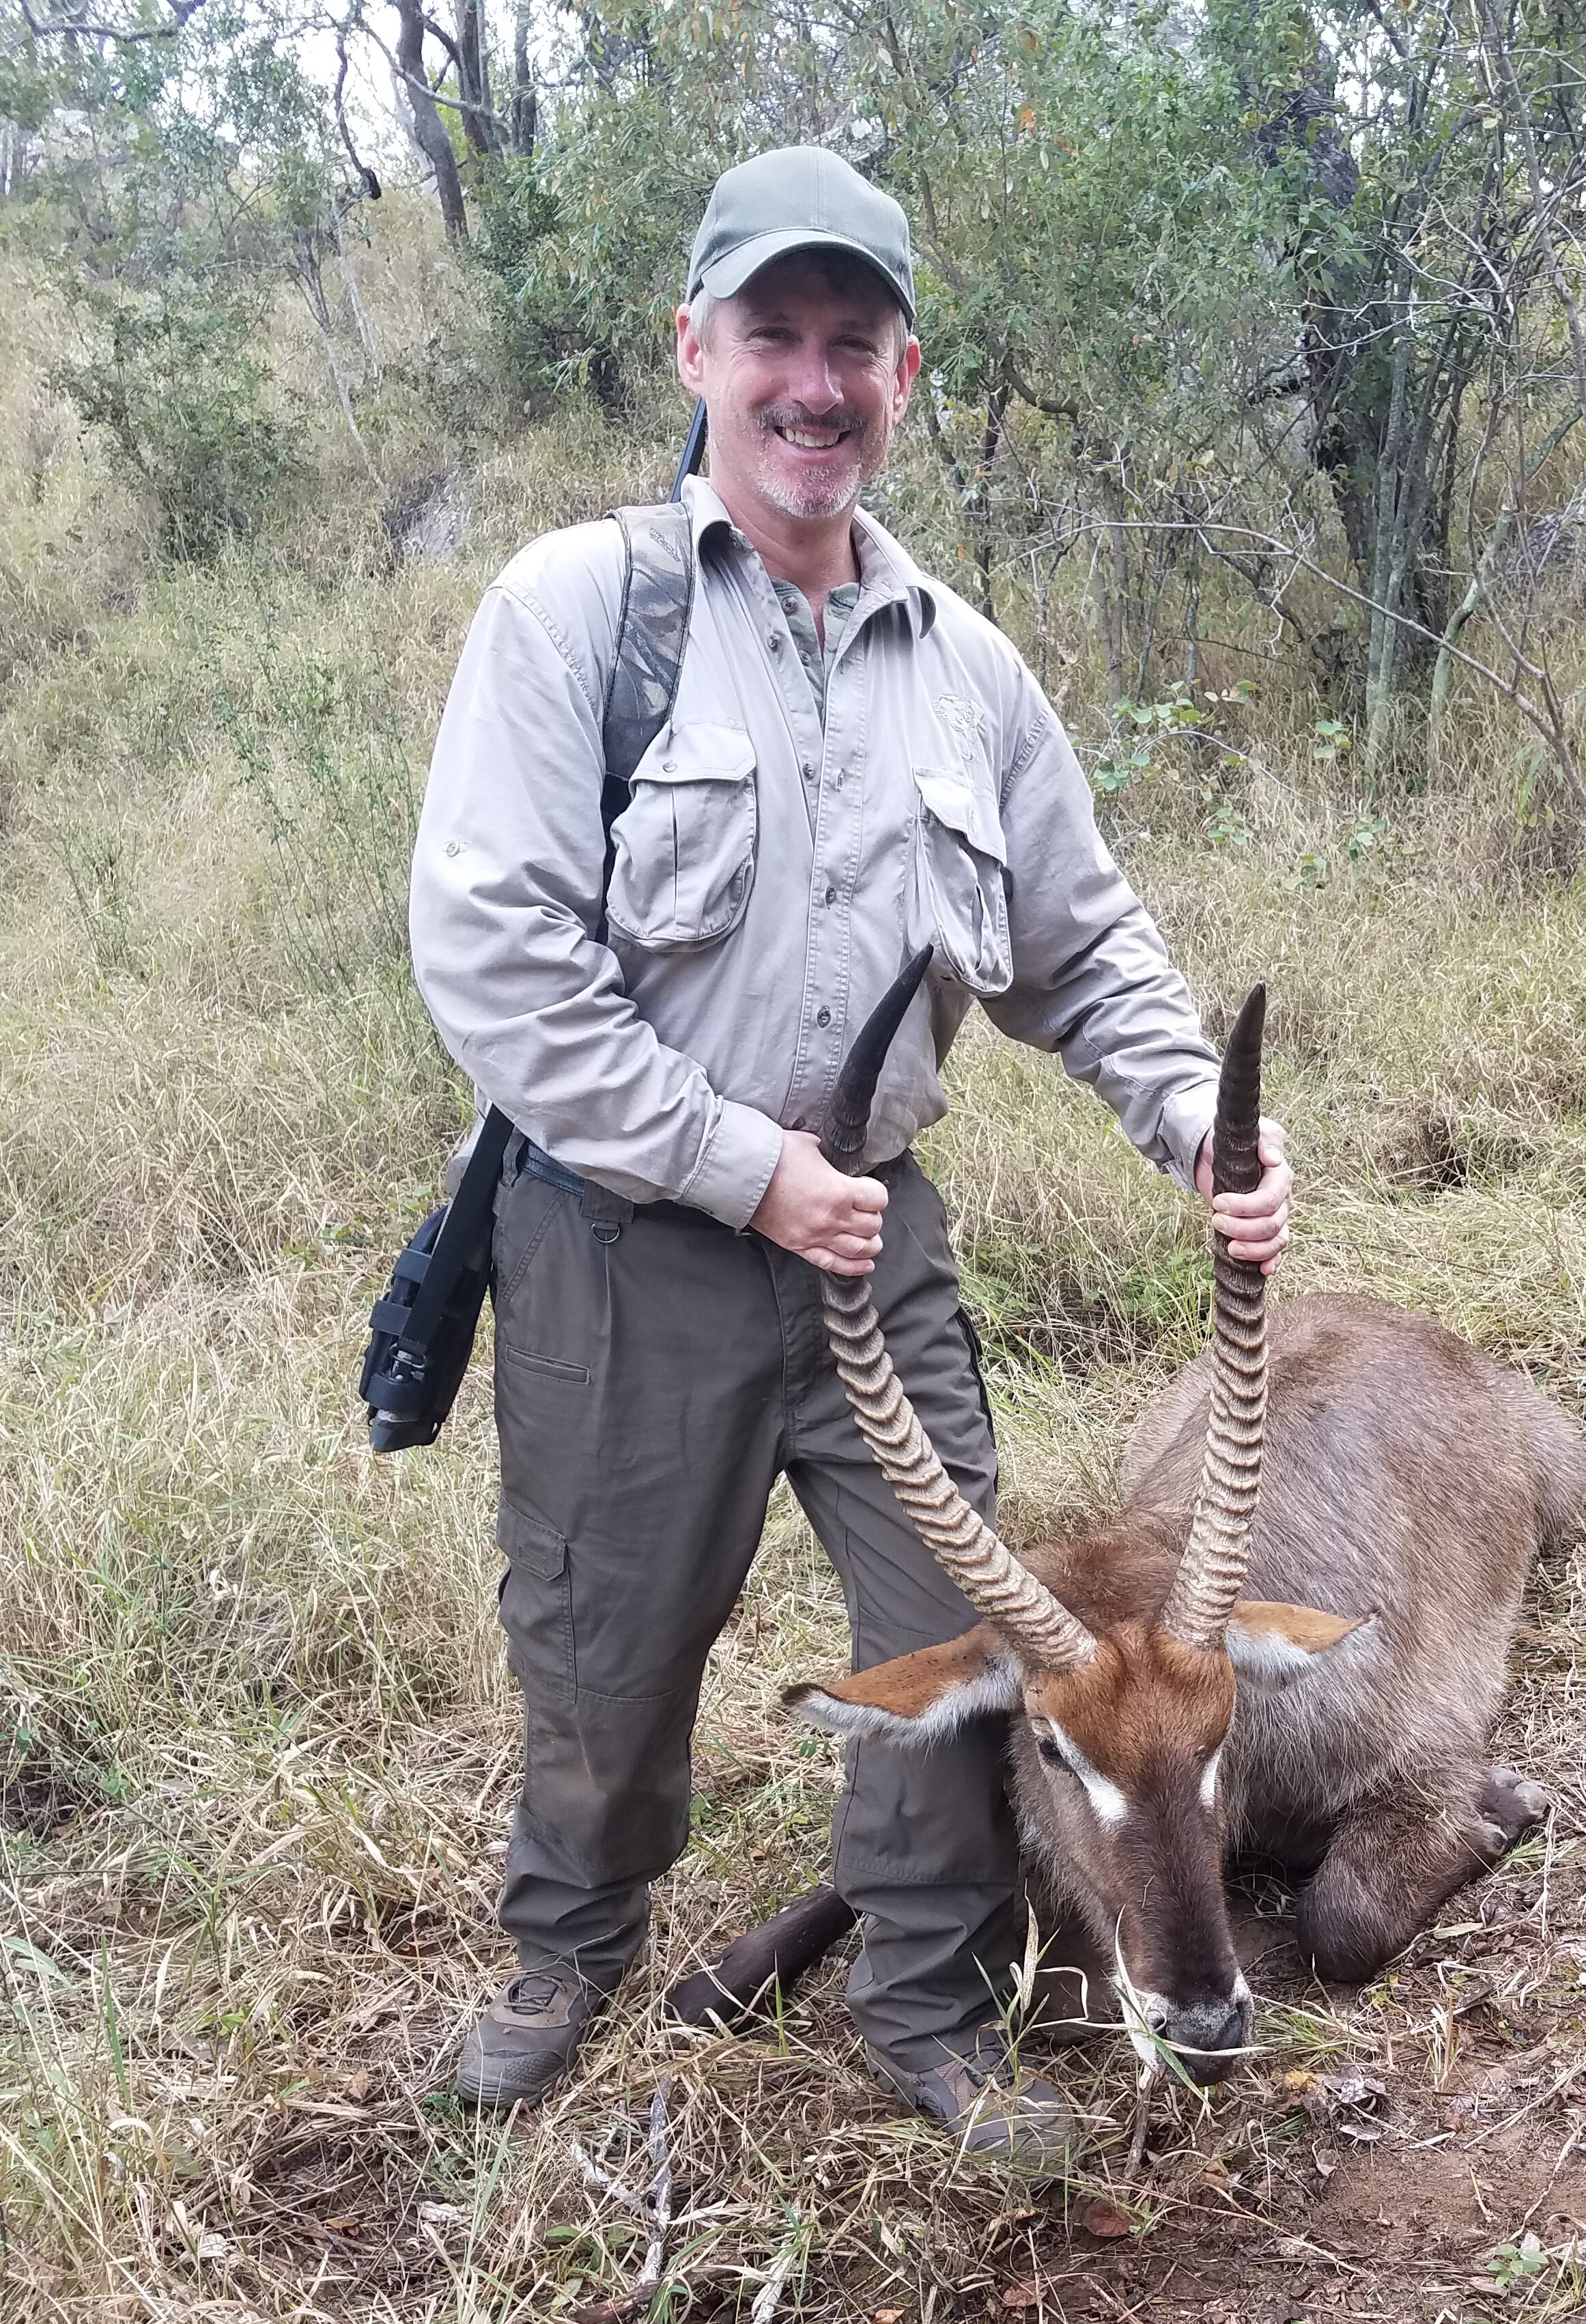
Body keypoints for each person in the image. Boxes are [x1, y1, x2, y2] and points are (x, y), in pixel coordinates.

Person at [408, 144, 1291, 2164]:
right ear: (697, 348)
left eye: (855, 346)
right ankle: (570, 1944)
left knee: (953, 1649)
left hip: (875, 1249)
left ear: (908, 376)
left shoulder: (966, 668)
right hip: (629, 1241)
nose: (814, 385)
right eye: (774, 339)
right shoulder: (581, 615)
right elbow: (497, 962)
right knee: (605, 1633)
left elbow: (1085, 941)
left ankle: (926, 1996)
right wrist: (736, 1163)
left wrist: (1199, 1127)